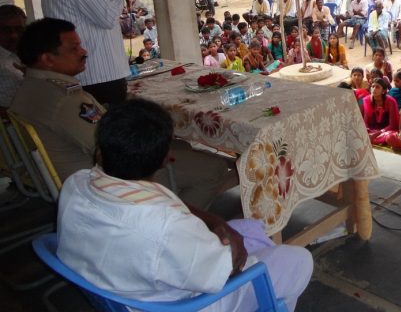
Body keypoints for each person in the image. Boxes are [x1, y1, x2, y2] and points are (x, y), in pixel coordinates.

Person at [56, 98, 312, 311]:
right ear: (166, 160)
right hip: (183, 304)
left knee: (247, 228)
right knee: (298, 260)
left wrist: (215, 221)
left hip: (120, 287)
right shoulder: (165, 227)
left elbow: (171, 216)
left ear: (101, 150)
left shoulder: (75, 184)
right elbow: (229, 269)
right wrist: (240, 256)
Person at [10, 18, 233, 208]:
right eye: (73, 48)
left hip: (71, 173)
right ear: (47, 59)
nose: (83, 52)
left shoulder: (29, 87)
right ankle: (169, 222)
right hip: (105, 182)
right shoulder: (63, 99)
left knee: (182, 146)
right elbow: (117, 149)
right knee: (215, 167)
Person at [0, 4, 26, 111]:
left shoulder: (29, 52)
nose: (14, 35)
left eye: (19, 30)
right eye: (6, 30)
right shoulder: (3, 65)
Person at [362, 78, 401, 146]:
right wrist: (366, 131)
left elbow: (393, 125)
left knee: (390, 137)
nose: (374, 89)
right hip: (372, 130)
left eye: (377, 87)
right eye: (373, 86)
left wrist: (377, 133)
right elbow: (366, 121)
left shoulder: (391, 101)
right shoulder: (366, 100)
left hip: (386, 131)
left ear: (383, 91)